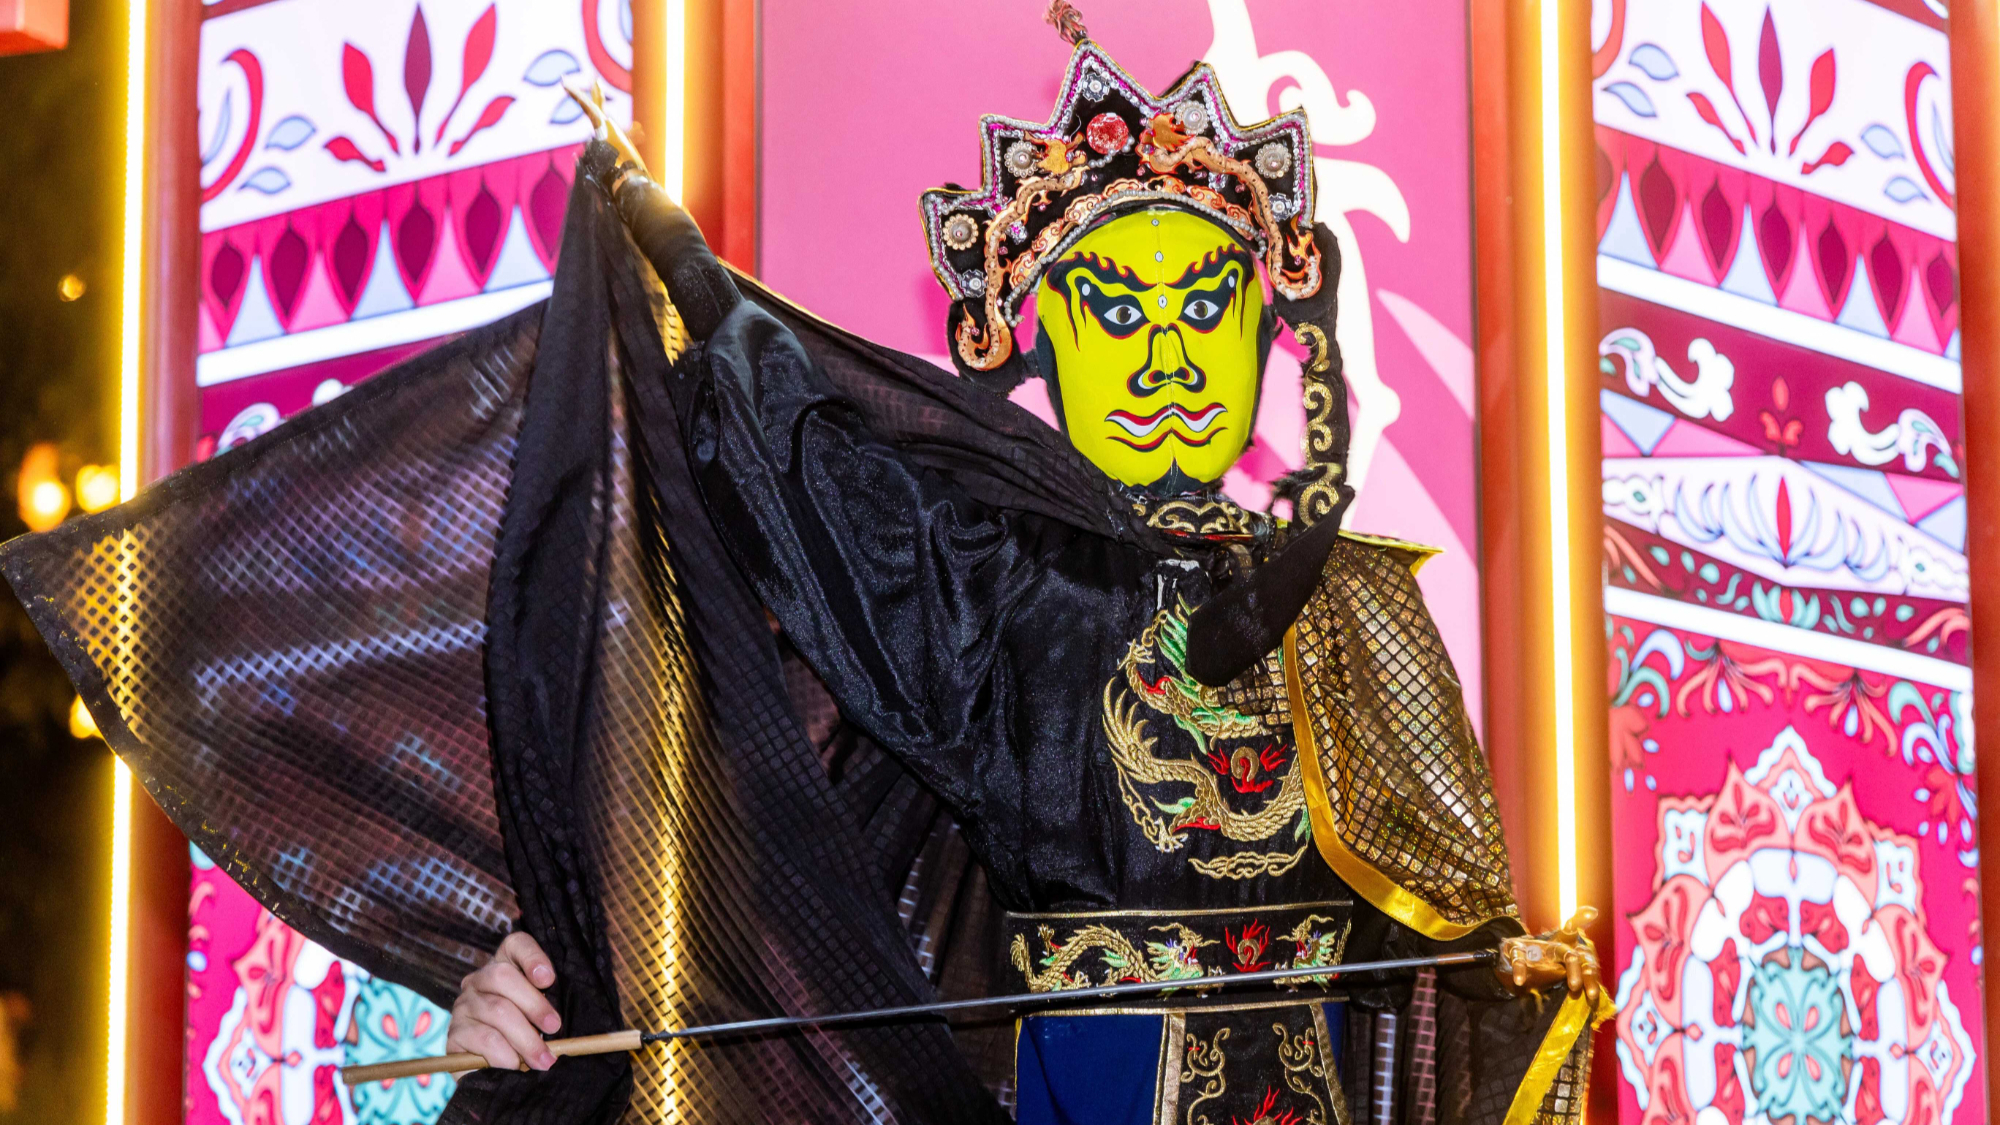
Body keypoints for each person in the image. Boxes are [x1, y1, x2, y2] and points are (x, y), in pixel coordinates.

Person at [2, 14, 1607, 1125]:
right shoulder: (962, 588)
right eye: (1114, 307)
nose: (1172, 354)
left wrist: (1538, 973)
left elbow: (1459, 965)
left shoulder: (1360, 603)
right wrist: (544, 990)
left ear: (1274, 325)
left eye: (1209, 303)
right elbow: (732, 821)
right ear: (1028, 339)